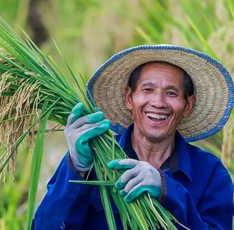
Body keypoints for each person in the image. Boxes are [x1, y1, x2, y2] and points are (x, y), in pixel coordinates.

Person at [31, 45, 234, 229]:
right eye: (147, 90)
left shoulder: (211, 173)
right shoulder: (93, 160)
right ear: (129, 98)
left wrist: (167, 190)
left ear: (188, 106)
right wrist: (76, 167)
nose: (158, 102)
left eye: (171, 93)